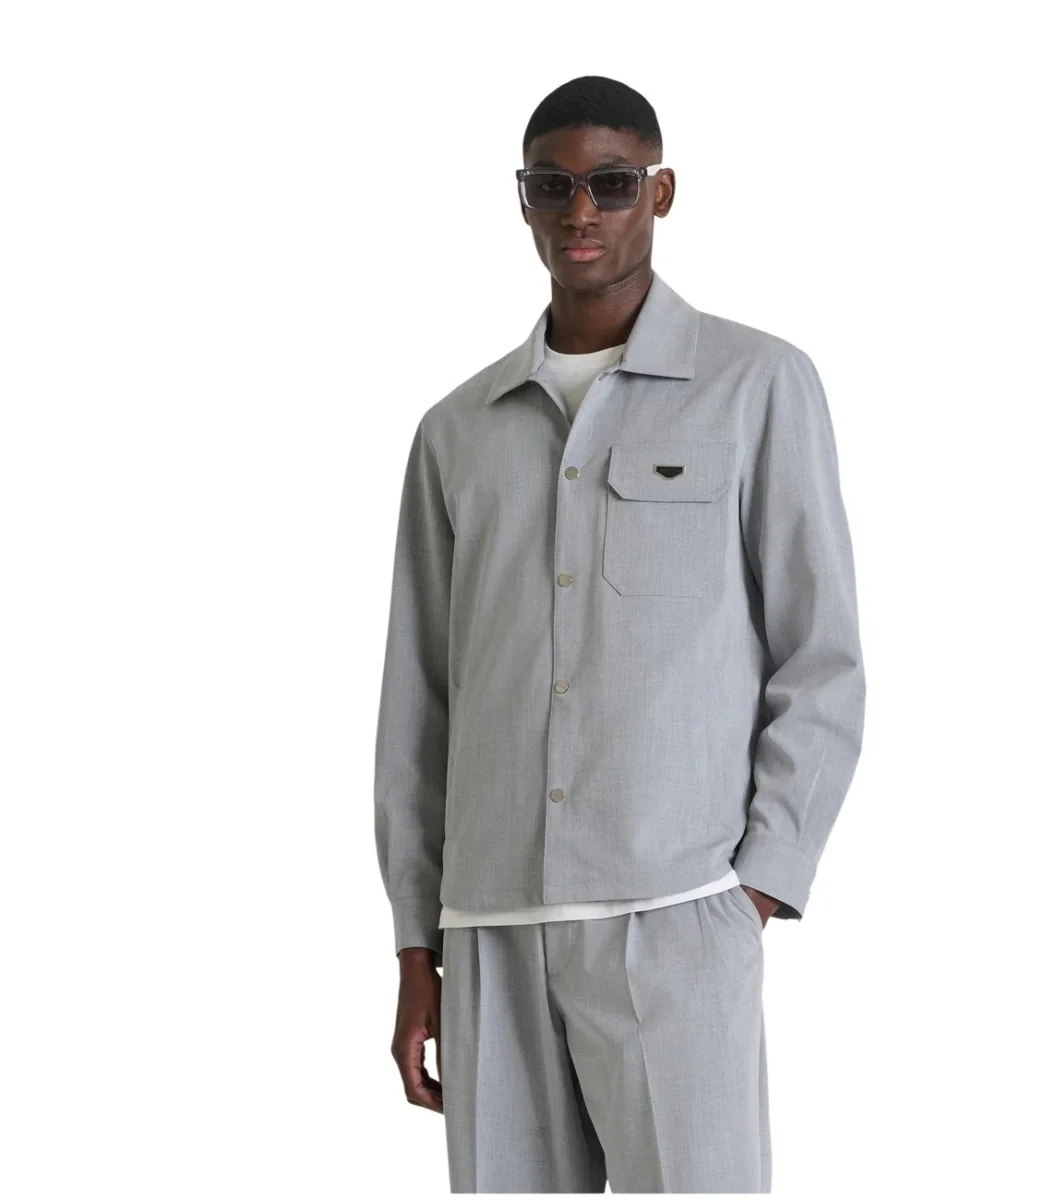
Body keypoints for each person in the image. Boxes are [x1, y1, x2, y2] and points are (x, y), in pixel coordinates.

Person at [374, 74, 866, 1193]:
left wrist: (755, 887)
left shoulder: (757, 386)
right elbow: (420, 702)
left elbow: (822, 657)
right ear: (523, 200)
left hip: (677, 915)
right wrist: (417, 943)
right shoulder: (455, 431)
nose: (581, 211)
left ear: (662, 192)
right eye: (553, 187)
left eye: (610, 183)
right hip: (490, 926)